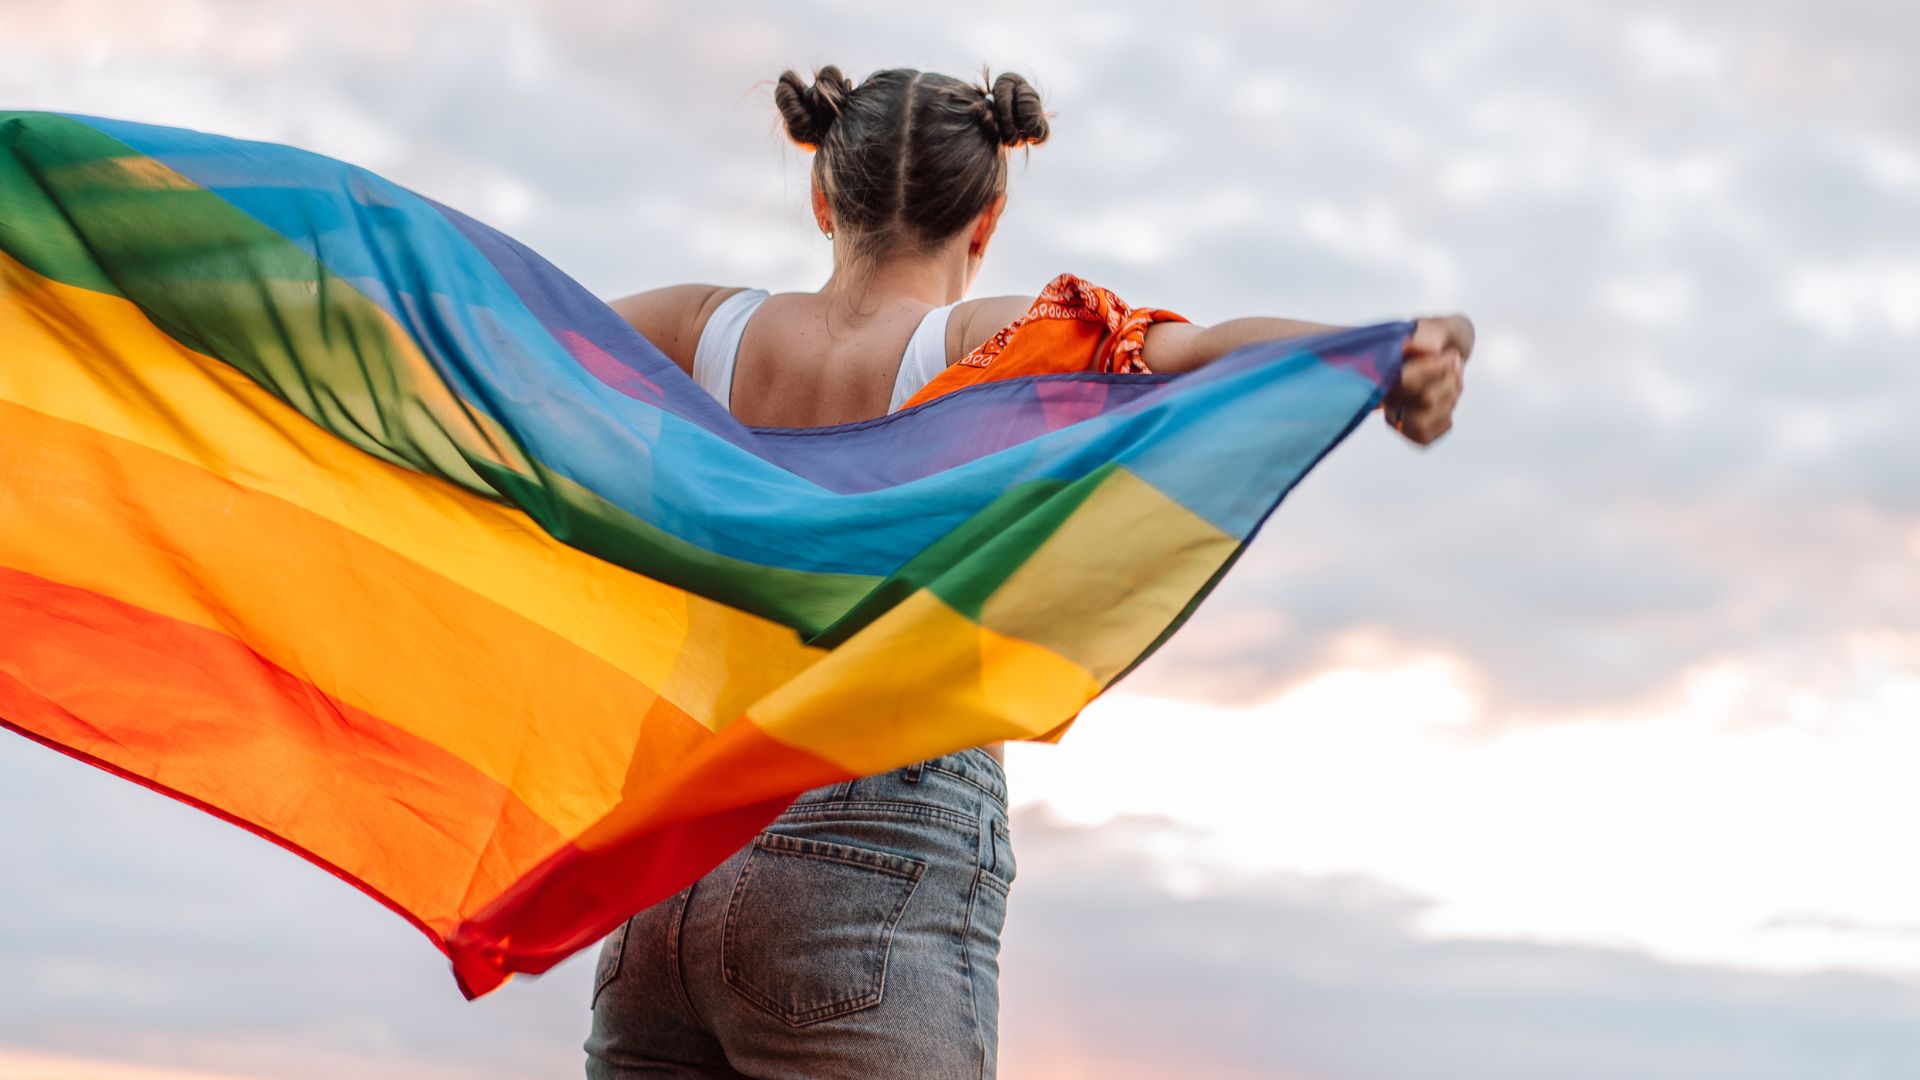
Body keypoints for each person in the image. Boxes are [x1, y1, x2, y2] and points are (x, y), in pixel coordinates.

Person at [584, 65, 1472, 1080]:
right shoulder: (982, 345)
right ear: (987, 220)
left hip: (669, 866)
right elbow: (1203, 353)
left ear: (823, 195)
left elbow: (494, 328)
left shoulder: (702, 330)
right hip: (869, 844)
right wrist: (1395, 354)